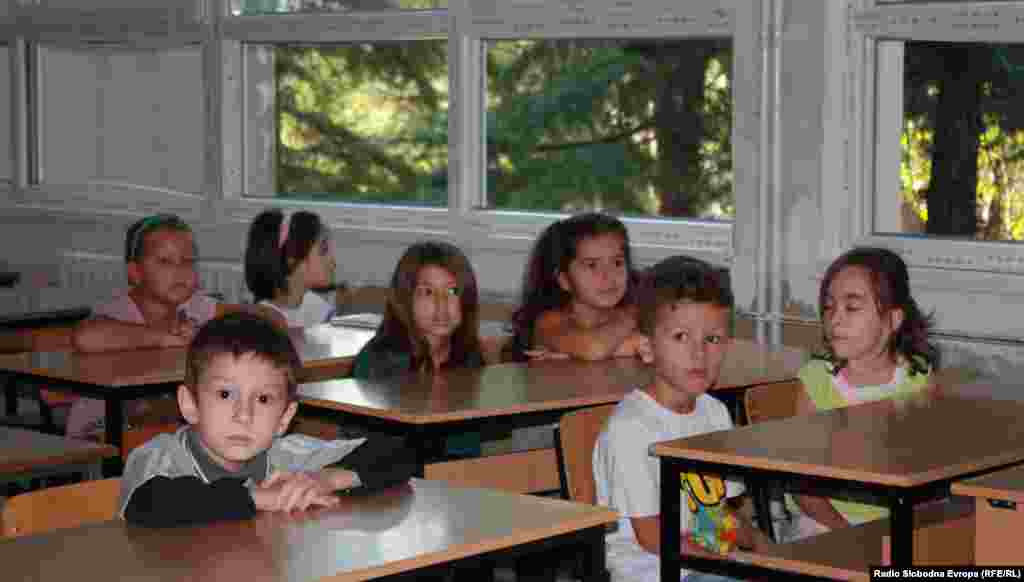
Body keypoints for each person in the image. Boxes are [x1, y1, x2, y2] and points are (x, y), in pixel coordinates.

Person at [119, 312, 415, 527]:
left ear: (285, 418)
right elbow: (151, 503)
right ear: (190, 404)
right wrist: (262, 498)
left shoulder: (286, 455)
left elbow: (397, 455)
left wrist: (325, 479)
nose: (243, 415)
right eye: (225, 395)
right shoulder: (159, 458)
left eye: (262, 400)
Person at [593, 255, 769, 582]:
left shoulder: (715, 413)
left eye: (712, 339)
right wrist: (732, 565)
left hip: (703, 564)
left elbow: (715, 514)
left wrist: (762, 545)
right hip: (654, 572)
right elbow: (652, 536)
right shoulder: (631, 428)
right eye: (680, 337)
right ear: (646, 348)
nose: (699, 353)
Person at [67, 213, 282, 438]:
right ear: (135, 273)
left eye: (188, 262)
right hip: (102, 430)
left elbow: (272, 319)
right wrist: (164, 337)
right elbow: (85, 337)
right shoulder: (119, 309)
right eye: (165, 262)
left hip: (164, 429)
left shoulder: (196, 305)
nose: (179, 271)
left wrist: (211, 334)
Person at [791, 246, 939, 535]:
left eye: (852, 307)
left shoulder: (918, 379)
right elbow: (803, 487)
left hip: (899, 522)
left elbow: (929, 471)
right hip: (826, 525)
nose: (835, 319)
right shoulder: (816, 383)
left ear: (894, 320)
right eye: (829, 306)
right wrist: (849, 534)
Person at [351, 240, 484, 457]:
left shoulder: (469, 357)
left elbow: (467, 448)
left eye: (452, 291)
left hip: (453, 475)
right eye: (428, 292)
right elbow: (380, 450)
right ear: (406, 298)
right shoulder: (380, 360)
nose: (442, 306)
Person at [504, 212, 647, 362]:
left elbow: (652, 347)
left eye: (617, 263)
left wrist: (570, 355)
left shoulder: (624, 312)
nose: (609, 275)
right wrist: (633, 316)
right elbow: (594, 348)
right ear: (564, 280)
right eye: (592, 265)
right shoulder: (548, 321)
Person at [245, 209, 337, 328]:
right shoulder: (263, 320)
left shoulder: (320, 309)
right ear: (292, 259)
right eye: (323, 250)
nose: (333, 261)